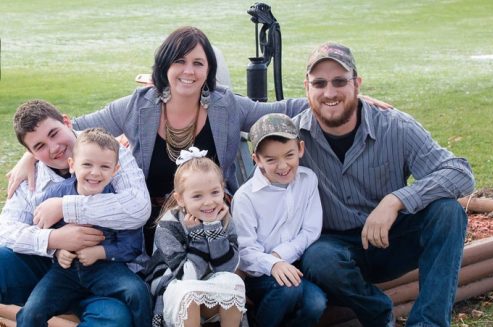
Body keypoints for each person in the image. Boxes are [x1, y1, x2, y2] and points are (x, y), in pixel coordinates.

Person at [6, 26, 392, 256]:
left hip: (211, 217)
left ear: (208, 70)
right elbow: (72, 133)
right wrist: (29, 159)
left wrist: (342, 97)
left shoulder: (225, 107)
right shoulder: (137, 106)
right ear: (165, 66)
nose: (188, 71)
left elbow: (285, 107)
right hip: (144, 225)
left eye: (198, 63)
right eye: (179, 62)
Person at [293, 42, 475, 326]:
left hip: (392, 240)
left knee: (447, 213)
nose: (329, 93)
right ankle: (380, 315)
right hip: (336, 251)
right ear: (307, 88)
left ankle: (428, 322)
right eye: (320, 83)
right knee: (319, 258)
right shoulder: (292, 138)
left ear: (357, 84)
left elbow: (460, 173)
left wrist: (395, 201)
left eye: (340, 81)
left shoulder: (395, 126)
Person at [0, 100, 151, 326]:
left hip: (110, 269)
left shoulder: (108, 153)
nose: (53, 148)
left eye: (54, 133)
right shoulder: (31, 174)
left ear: (66, 121)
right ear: (30, 153)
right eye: (39, 147)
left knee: (114, 318)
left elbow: (138, 208)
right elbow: (6, 230)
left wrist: (64, 207)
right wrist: (55, 241)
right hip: (55, 270)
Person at [232, 113, 327, 327]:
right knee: (289, 290)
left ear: (300, 149)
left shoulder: (308, 180)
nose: (283, 166)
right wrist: (273, 263)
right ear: (256, 160)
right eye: (271, 160)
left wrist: (280, 255)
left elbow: (311, 230)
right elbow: (245, 252)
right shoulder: (246, 197)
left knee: (316, 303)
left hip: (293, 266)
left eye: (289, 155)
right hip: (259, 273)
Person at [143, 147, 245, 327]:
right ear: (180, 199)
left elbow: (227, 268)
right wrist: (197, 235)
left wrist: (214, 228)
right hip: (174, 289)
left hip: (210, 286)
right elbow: (186, 276)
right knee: (189, 291)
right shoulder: (168, 226)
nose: (208, 202)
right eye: (197, 196)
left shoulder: (224, 219)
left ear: (223, 190)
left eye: (215, 192)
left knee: (234, 282)